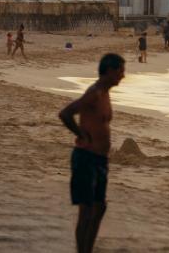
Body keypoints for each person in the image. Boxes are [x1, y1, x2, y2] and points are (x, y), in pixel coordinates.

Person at [58, 54, 125, 253]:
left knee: (99, 208)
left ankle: (87, 249)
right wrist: (81, 135)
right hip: (86, 158)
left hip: (100, 160)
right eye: (120, 71)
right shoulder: (94, 93)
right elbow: (65, 113)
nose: (123, 76)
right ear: (109, 71)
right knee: (86, 212)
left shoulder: (105, 93)